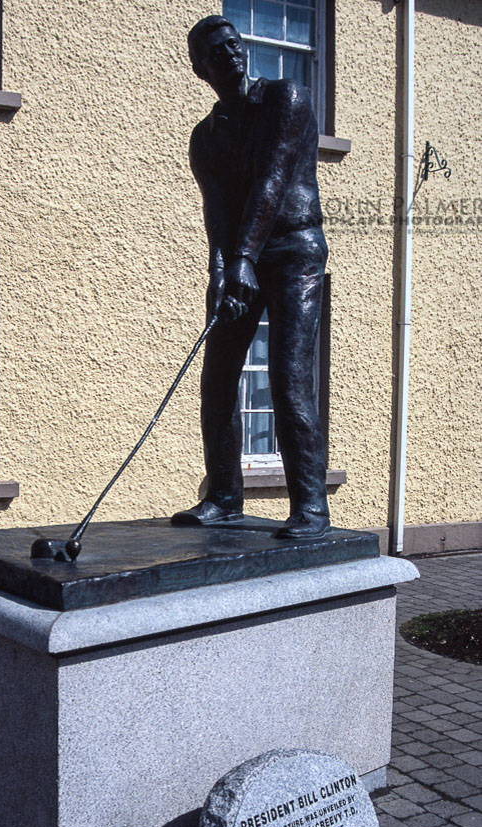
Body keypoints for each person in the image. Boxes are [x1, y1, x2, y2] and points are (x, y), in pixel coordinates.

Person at [171, 15, 330, 540]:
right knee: (217, 379)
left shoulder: (287, 99)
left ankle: (310, 508)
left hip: (293, 251)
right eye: (217, 51)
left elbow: (273, 180)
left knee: (288, 377)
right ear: (201, 68)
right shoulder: (206, 137)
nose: (232, 54)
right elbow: (217, 213)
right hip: (242, 256)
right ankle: (223, 496)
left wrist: (242, 258)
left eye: (235, 44)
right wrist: (221, 272)